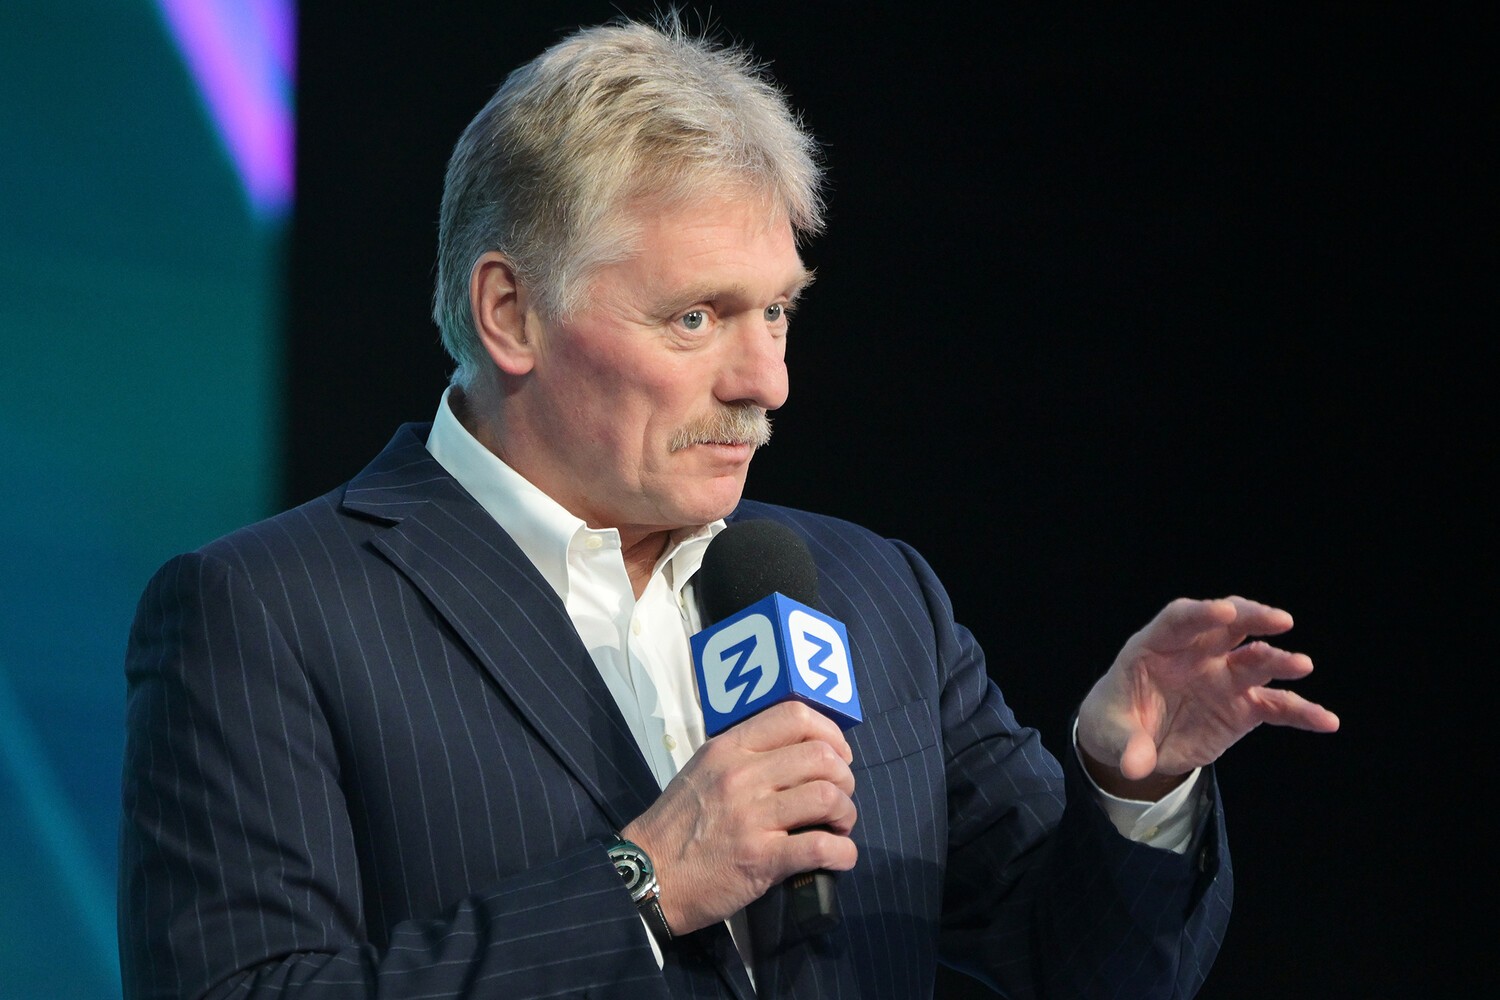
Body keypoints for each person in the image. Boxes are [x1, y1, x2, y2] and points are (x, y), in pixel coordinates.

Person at [119, 14, 1338, 1000]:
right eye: (696, 316)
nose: (767, 381)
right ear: (510, 313)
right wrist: (641, 884)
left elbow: (1087, 971)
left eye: (778, 312)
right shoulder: (266, 613)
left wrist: (1130, 788)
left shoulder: (875, 594)